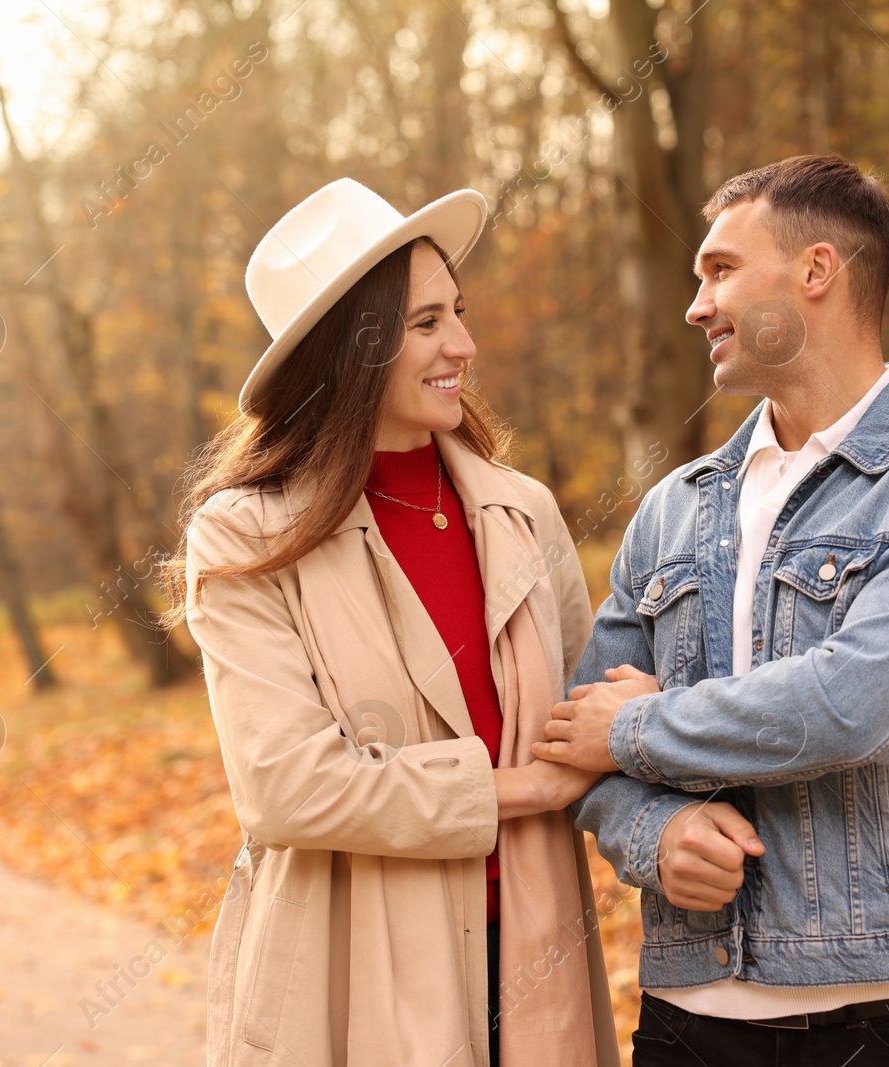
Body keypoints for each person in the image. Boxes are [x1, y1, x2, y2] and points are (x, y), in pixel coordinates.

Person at [534, 154, 889, 1065]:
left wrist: (636, 728)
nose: (696, 306)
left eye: (721, 270)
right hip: (688, 1021)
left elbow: (855, 706)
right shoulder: (675, 507)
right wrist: (656, 831)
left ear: (817, 272)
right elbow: (577, 733)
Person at [162, 178, 619, 1067]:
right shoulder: (245, 537)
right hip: (347, 981)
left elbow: (587, 714)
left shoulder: (521, 511)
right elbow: (285, 785)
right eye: (426, 324)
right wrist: (515, 788)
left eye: (458, 311)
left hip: (534, 962)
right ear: (351, 349)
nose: (465, 344)